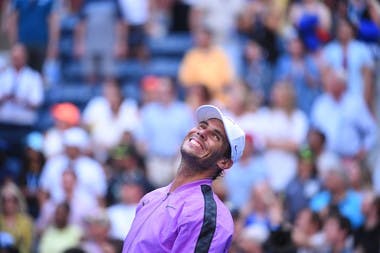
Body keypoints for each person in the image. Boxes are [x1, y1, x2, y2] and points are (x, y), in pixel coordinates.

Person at [122, 104, 245, 252]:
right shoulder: (151, 197)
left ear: (224, 162)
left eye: (215, 136)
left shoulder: (208, 215)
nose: (202, 132)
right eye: (202, 125)